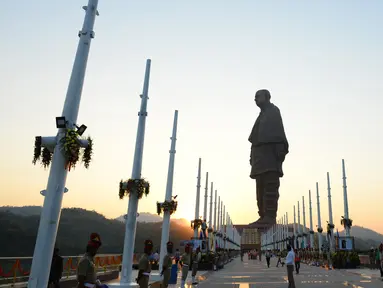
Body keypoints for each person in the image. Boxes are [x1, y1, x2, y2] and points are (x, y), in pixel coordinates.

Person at [249, 89, 289, 227]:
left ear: (267, 97)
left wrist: (280, 153)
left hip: (270, 157)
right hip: (259, 159)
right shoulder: (261, 116)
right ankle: (262, 215)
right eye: (254, 97)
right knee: (259, 189)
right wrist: (252, 157)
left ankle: (270, 216)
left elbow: (279, 134)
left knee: (270, 188)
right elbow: (254, 139)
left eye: (258, 96)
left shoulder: (273, 112)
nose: (255, 99)